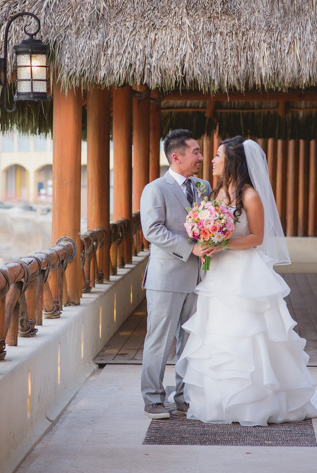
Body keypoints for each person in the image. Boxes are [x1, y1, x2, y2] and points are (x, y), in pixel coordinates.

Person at [175, 137, 317, 426]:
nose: (212, 160)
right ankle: (219, 401)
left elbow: (257, 238)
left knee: (248, 332)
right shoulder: (215, 194)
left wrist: (224, 243)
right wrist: (207, 237)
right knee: (218, 330)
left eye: (217, 155)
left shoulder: (250, 195)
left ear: (232, 161)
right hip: (218, 273)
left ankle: (255, 402)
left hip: (244, 272)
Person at [139, 129, 213, 419]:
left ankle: (184, 396)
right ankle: (153, 398)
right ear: (176, 156)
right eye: (195, 152)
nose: (201, 157)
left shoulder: (203, 186)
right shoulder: (155, 189)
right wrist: (191, 249)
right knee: (159, 339)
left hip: (200, 278)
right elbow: (153, 230)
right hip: (166, 278)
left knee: (190, 340)